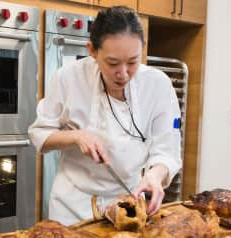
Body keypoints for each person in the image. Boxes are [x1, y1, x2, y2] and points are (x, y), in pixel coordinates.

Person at [29, 6, 182, 225]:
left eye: (132, 62)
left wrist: (154, 176)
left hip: (128, 202)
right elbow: (40, 134)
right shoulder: (68, 78)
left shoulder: (158, 85)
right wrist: (77, 136)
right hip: (72, 206)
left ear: (143, 49)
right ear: (92, 50)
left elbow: (166, 150)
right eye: (112, 63)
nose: (123, 73)